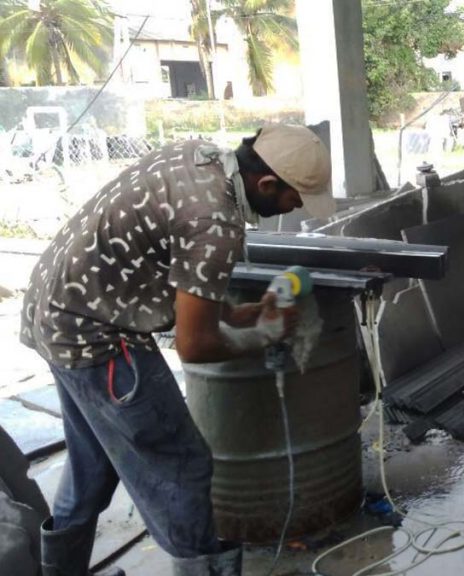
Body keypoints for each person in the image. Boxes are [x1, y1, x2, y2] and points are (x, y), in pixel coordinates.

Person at [20, 124, 335, 575]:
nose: (295, 208)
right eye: (293, 199)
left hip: (55, 309)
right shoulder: (217, 223)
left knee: (93, 466)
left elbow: (171, 264)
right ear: (266, 183)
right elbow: (195, 345)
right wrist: (267, 335)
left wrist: (239, 314)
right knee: (182, 464)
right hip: (96, 335)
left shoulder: (200, 157)